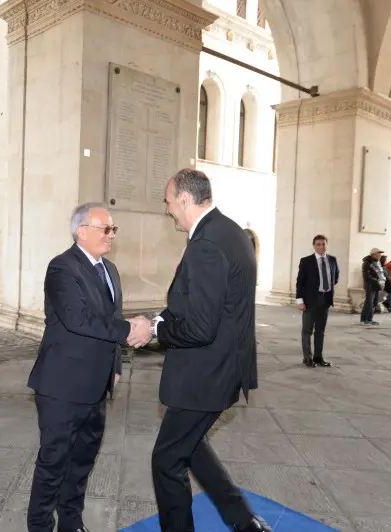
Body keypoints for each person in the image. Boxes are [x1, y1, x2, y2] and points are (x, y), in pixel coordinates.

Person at [150, 169, 270, 532]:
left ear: (185, 199)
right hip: (222, 367)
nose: (168, 210)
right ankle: (244, 521)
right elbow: (209, 304)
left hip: (205, 373)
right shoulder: (230, 232)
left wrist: (157, 329)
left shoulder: (205, 245)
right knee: (191, 446)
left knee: (167, 459)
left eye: (169, 202)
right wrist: (162, 317)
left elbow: (201, 327)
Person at [26, 203, 151, 532]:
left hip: (97, 386)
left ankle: (71, 522)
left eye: (113, 229)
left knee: (82, 462)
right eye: (105, 228)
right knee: (54, 463)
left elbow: (108, 319)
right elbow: (78, 319)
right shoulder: (62, 268)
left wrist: (117, 364)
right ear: (82, 232)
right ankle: (40, 526)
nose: (111, 235)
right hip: (62, 386)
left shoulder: (110, 270)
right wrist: (130, 330)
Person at [295, 234, 339, 368]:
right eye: (318, 244)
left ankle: (318, 357)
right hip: (309, 301)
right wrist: (300, 301)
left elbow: (335, 277)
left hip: (325, 300)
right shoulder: (306, 261)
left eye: (323, 244)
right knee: (307, 330)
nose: (321, 247)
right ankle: (307, 358)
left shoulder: (332, 260)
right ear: (314, 246)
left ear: (327, 245)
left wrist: (326, 289)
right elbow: (300, 283)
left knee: (320, 330)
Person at [360, 248, 385, 326]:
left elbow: (380, 273)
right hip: (370, 286)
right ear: (373, 254)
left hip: (377, 285)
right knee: (369, 303)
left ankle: (369, 319)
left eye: (380, 253)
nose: (380, 255)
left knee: (373, 303)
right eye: (378, 253)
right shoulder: (367, 263)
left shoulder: (377, 262)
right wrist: (376, 281)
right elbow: (366, 276)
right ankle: (365, 320)